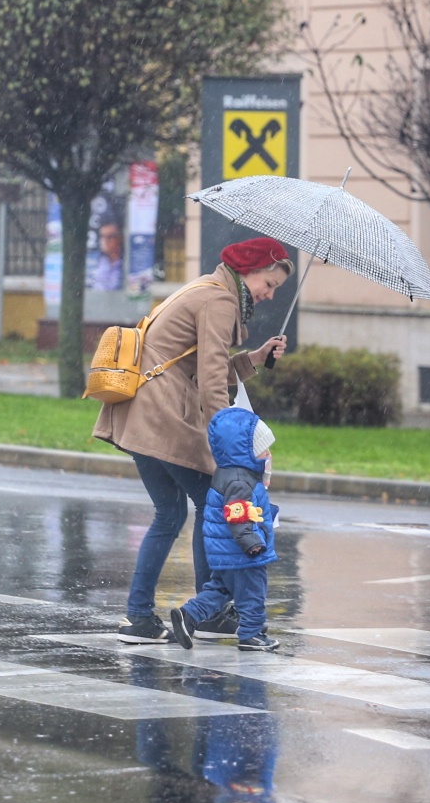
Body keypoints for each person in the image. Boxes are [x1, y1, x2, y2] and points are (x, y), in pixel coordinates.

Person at [94, 237, 291, 643]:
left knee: (169, 516)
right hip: (166, 417)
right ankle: (211, 609)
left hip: (140, 413)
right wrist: (228, 444)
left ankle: (138, 619)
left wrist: (255, 358)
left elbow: (197, 363)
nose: (269, 295)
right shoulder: (220, 302)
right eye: (268, 284)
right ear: (249, 271)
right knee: (212, 505)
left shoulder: (205, 287)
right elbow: (211, 379)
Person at [169, 405, 280, 652]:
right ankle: (252, 635)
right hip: (242, 553)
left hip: (225, 551)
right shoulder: (240, 480)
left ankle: (188, 615)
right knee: (252, 593)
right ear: (244, 451)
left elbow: (243, 510)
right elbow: (236, 514)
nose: (268, 454)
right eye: (263, 449)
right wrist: (251, 542)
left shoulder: (230, 474)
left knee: (220, 589)